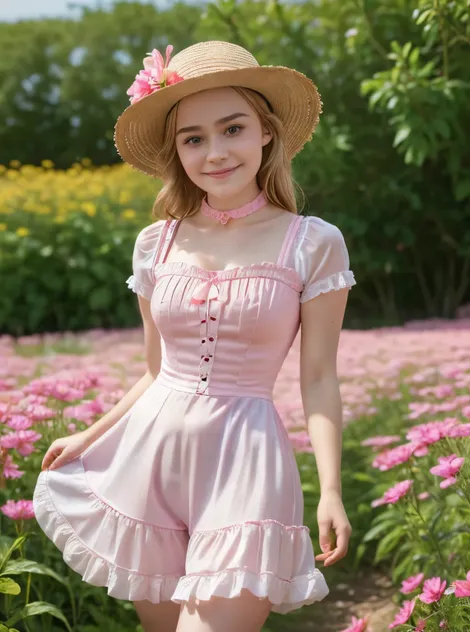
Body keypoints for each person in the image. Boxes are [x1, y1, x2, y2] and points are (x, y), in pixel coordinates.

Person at [33, 40, 356, 632]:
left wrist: (330, 489)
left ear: (266, 132)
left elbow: (318, 377)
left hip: (245, 464)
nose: (214, 152)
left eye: (232, 129)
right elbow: (157, 369)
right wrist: (90, 433)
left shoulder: (312, 242)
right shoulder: (154, 243)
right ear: (177, 151)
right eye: (193, 138)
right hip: (148, 461)